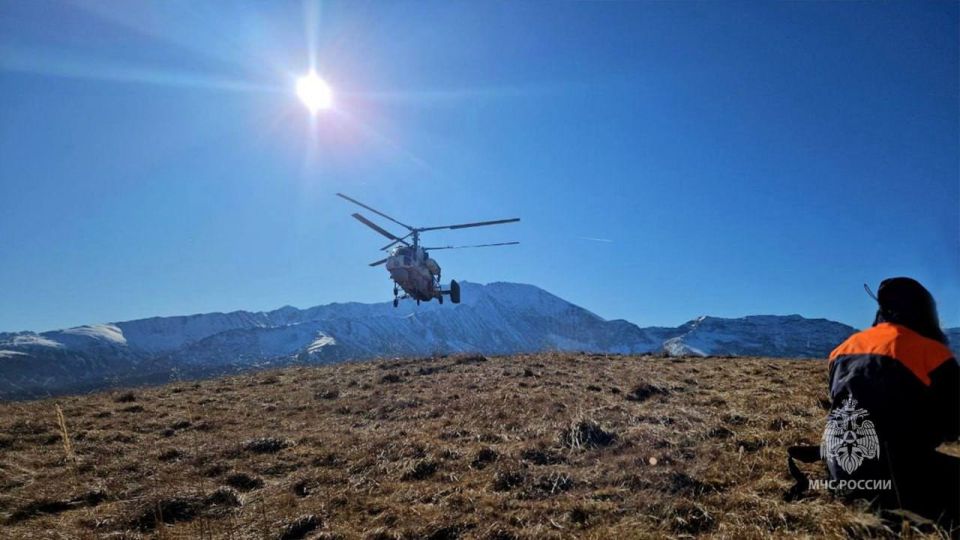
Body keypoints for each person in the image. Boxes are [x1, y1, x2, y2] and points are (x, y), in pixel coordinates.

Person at [823, 277, 958, 529]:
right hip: (897, 479)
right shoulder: (932, 353)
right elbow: (952, 425)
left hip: (838, 473)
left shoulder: (842, 349)